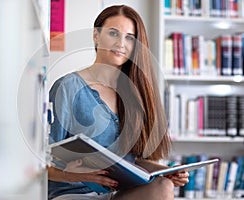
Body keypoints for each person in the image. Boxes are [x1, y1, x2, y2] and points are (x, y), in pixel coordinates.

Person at [48, 5, 189, 200]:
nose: (121, 43)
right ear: (96, 35)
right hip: (75, 194)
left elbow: (131, 161)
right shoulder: (68, 87)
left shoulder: (133, 93)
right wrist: (76, 174)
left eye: (129, 38)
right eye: (113, 33)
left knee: (164, 186)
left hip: (117, 193)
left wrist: (164, 170)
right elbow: (44, 163)